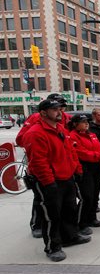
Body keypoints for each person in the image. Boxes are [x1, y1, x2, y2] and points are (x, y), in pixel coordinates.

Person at [23, 99, 90, 262]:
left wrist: (76, 169)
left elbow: (70, 151)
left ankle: (70, 237)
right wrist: (48, 182)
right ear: (44, 113)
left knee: (69, 210)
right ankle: (53, 247)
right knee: (52, 215)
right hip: (50, 181)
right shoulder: (35, 133)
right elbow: (39, 161)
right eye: (54, 110)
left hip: (66, 177)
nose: (59, 112)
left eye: (59, 109)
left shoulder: (60, 128)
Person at [15, 93, 70, 239]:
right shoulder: (35, 120)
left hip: (61, 168)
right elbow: (21, 139)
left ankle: (67, 234)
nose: (60, 110)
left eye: (62, 106)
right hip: (43, 167)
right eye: (57, 106)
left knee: (62, 206)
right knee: (41, 201)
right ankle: (36, 225)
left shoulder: (63, 118)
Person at [69, 114, 100, 234]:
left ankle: (92, 218)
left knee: (95, 194)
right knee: (86, 196)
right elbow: (81, 153)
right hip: (84, 168)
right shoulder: (73, 136)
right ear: (76, 124)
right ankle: (81, 223)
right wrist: (98, 156)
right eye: (83, 122)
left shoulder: (92, 135)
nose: (86, 123)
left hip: (96, 167)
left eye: (87, 121)